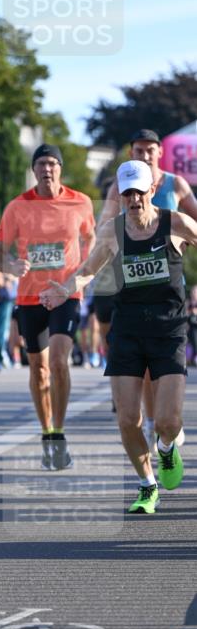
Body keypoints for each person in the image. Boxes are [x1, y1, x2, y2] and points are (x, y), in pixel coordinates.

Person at [40, 160, 195, 514]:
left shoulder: (175, 223)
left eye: (139, 192)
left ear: (152, 190)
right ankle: (147, 485)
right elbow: (88, 269)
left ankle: (166, 449)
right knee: (127, 419)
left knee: (168, 422)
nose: (134, 199)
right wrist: (65, 290)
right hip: (128, 329)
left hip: (168, 328)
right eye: (127, 194)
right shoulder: (113, 231)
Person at [0, 144, 95, 471]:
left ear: (60, 168)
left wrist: (81, 275)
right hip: (30, 298)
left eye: (52, 163)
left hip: (65, 295)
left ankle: (59, 432)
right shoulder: (17, 207)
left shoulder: (80, 202)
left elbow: (92, 241)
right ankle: (46, 430)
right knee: (39, 369)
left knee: (60, 361)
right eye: (41, 164)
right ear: (33, 169)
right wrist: (10, 266)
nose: (47, 169)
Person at [100, 130, 196, 449]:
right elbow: (105, 223)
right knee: (141, 369)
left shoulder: (175, 184)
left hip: (170, 283)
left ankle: (166, 421)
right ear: (132, 153)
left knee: (162, 367)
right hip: (133, 284)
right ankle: (154, 422)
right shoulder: (119, 186)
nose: (144, 155)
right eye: (139, 150)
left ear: (159, 152)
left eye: (149, 150)